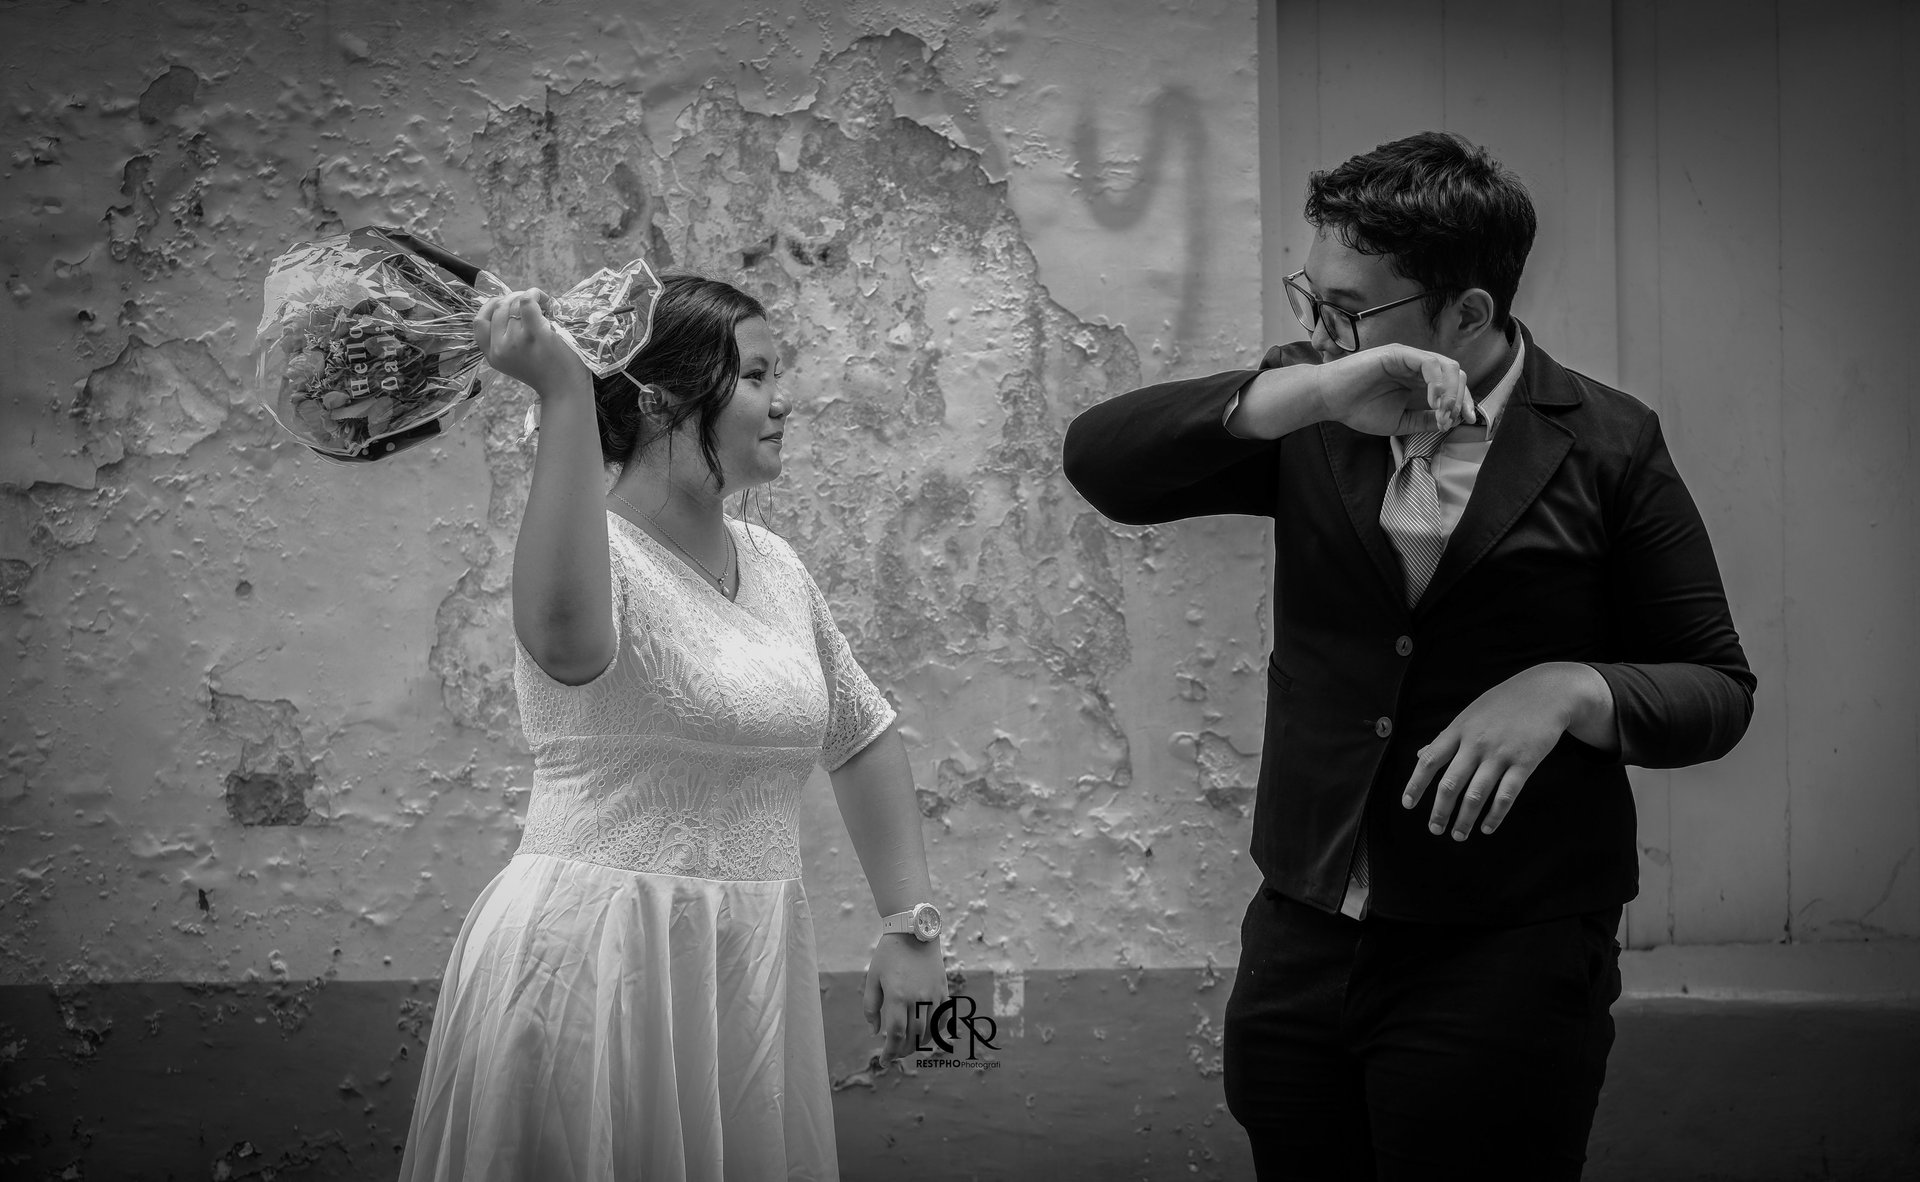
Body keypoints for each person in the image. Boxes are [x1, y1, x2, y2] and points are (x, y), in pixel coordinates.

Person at [1062, 131, 1754, 1180]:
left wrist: (1573, 688)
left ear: (1468, 313)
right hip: (1304, 934)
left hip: (1507, 950)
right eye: (1313, 296)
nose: (1322, 327)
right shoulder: (1322, 400)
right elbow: (1103, 462)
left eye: (1350, 309)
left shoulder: (1608, 440)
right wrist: (1311, 391)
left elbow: (1718, 688)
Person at [398, 275, 948, 1181]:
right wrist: (564, 389)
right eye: (760, 375)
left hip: (747, 969)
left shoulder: (774, 563)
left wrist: (912, 927)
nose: (787, 401)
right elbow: (568, 643)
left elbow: (860, 732)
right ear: (661, 398)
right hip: (596, 962)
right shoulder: (593, 549)